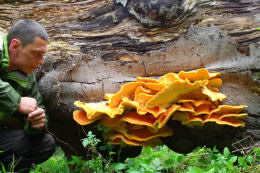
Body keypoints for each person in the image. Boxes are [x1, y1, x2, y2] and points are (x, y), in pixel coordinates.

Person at [0, 19, 55, 171]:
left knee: (45, 143)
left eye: (43, 55)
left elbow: (38, 105)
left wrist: (37, 124)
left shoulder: (27, 74)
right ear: (15, 46)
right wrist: (16, 102)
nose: (42, 62)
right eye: (37, 54)